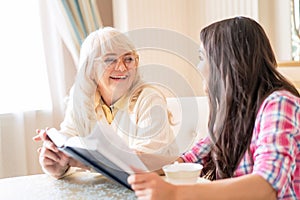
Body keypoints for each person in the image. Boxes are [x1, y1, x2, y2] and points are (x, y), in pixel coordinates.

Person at [128, 16, 300, 200]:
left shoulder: (279, 104)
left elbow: (265, 186)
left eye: (202, 57)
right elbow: (185, 160)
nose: (198, 66)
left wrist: (175, 193)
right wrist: (117, 161)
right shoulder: (235, 115)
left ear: (227, 62)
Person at [33, 27, 178, 179]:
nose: (122, 67)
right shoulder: (81, 97)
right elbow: (69, 136)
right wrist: (57, 162)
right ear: (90, 68)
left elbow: (145, 162)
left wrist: (84, 161)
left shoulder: (149, 98)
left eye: (128, 59)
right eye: (110, 60)